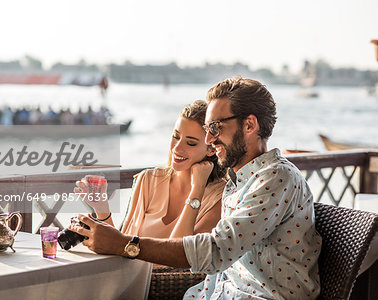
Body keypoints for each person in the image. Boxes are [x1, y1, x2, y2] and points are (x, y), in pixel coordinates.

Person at [70, 77, 322, 299]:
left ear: (249, 125)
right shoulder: (239, 181)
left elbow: (216, 250)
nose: (210, 140)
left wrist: (125, 244)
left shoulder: (276, 177)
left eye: (215, 127)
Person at [75, 100, 227, 238]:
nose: (177, 148)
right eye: (176, 136)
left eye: (191, 143)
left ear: (211, 149)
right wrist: (102, 207)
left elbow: (181, 253)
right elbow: (121, 246)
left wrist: (197, 189)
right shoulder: (148, 180)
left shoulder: (219, 197)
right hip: (133, 269)